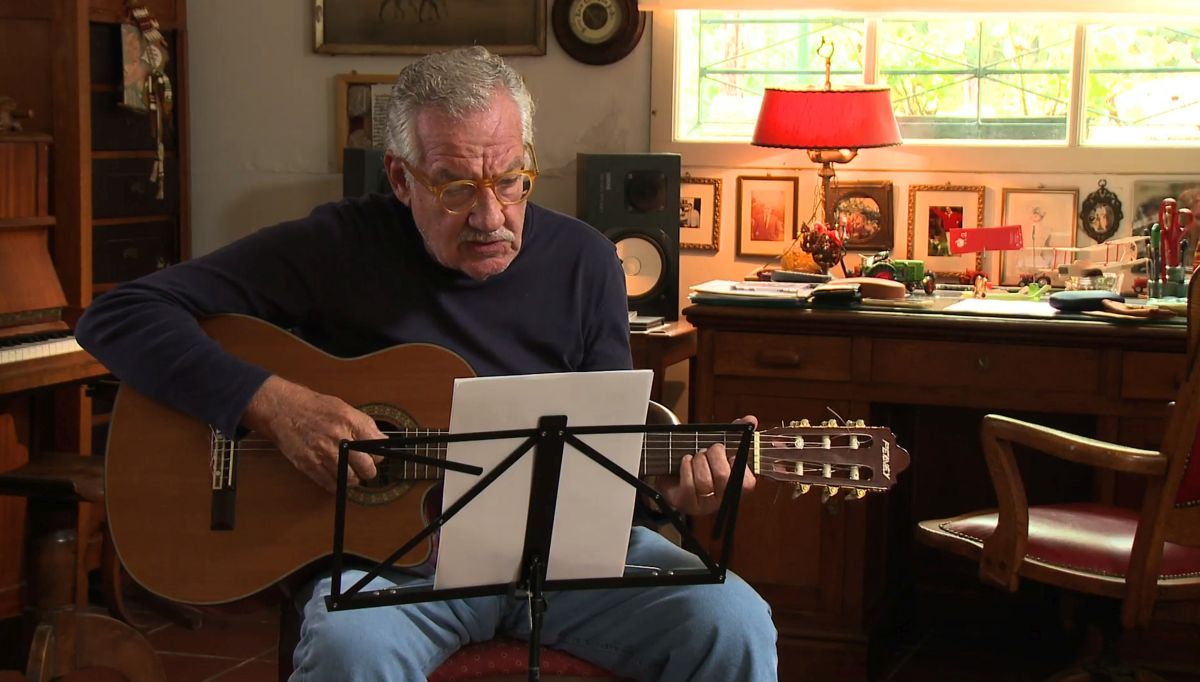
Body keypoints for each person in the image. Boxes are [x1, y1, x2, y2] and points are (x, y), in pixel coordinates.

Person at [76, 47, 777, 681]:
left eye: (511, 180)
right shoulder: (337, 246)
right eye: (455, 188)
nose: (490, 216)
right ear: (400, 178)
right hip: (395, 572)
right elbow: (117, 315)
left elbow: (605, 462)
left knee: (733, 624)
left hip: (563, 567)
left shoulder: (589, 262)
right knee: (352, 653)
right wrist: (272, 404)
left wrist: (676, 494)